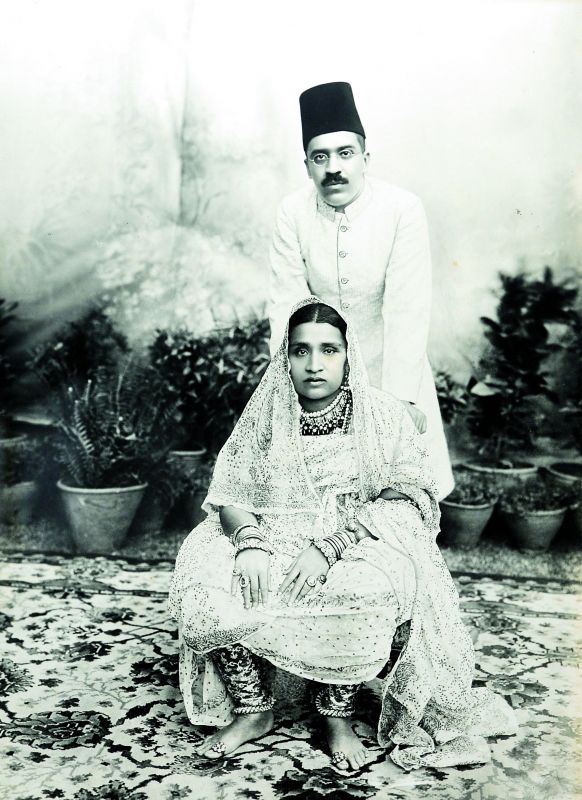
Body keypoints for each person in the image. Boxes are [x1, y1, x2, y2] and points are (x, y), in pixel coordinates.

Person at [168, 298, 516, 774]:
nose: (314, 365)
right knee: (208, 577)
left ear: (348, 354)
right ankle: (255, 709)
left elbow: (407, 497)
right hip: (271, 533)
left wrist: (330, 546)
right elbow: (230, 492)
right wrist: (249, 541)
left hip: (357, 537)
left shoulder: (380, 416)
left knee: (365, 591)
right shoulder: (267, 414)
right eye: (301, 351)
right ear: (284, 357)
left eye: (329, 350)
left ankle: (336, 717)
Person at [268, 81, 454, 500]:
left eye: (345, 153)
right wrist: (289, 386)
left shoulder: (402, 209)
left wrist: (401, 400)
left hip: (392, 364)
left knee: (397, 498)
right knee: (323, 495)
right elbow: (285, 305)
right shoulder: (292, 212)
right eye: (321, 157)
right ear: (307, 166)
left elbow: (407, 308)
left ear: (365, 158)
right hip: (321, 367)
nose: (334, 168)